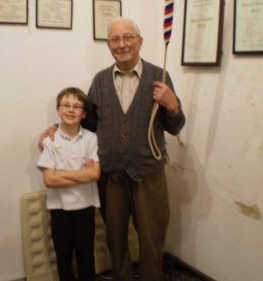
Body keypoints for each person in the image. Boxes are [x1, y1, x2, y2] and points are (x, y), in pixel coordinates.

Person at [40, 18, 185, 281]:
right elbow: (87, 123)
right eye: (115, 40)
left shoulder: (159, 77)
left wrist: (173, 105)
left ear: (139, 41)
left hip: (149, 174)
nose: (122, 44)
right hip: (111, 176)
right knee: (115, 239)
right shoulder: (100, 81)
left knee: (151, 240)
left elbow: (175, 127)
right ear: (108, 45)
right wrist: (56, 129)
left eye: (128, 37)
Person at [37, 87, 100, 281]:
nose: (71, 110)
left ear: (84, 114)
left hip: (85, 206)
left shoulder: (91, 138)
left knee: (86, 255)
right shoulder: (50, 140)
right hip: (59, 208)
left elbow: (95, 174)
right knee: (63, 257)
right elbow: (49, 180)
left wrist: (61, 174)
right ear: (58, 110)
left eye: (77, 106)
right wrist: (82, 173)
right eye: (66, 105)